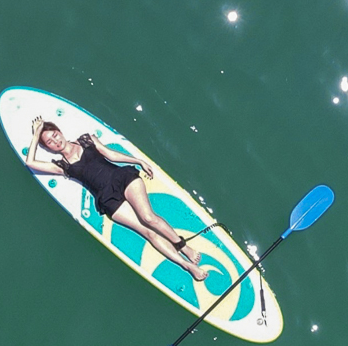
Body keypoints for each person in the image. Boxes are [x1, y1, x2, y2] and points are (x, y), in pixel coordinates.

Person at [25, 117, 210, 282]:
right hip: (108, 198)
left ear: (60, 131)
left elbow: (110, 154)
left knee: (148, 217)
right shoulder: (62, 166)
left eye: (55, 135)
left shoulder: (86, 140)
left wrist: (138, 161)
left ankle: (183, 246)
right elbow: (30, 163)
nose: (56, 141)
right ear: (47, 147)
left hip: (122, 178)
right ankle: (187, 266)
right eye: (50, 141)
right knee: (148, 232)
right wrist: (36, 136)